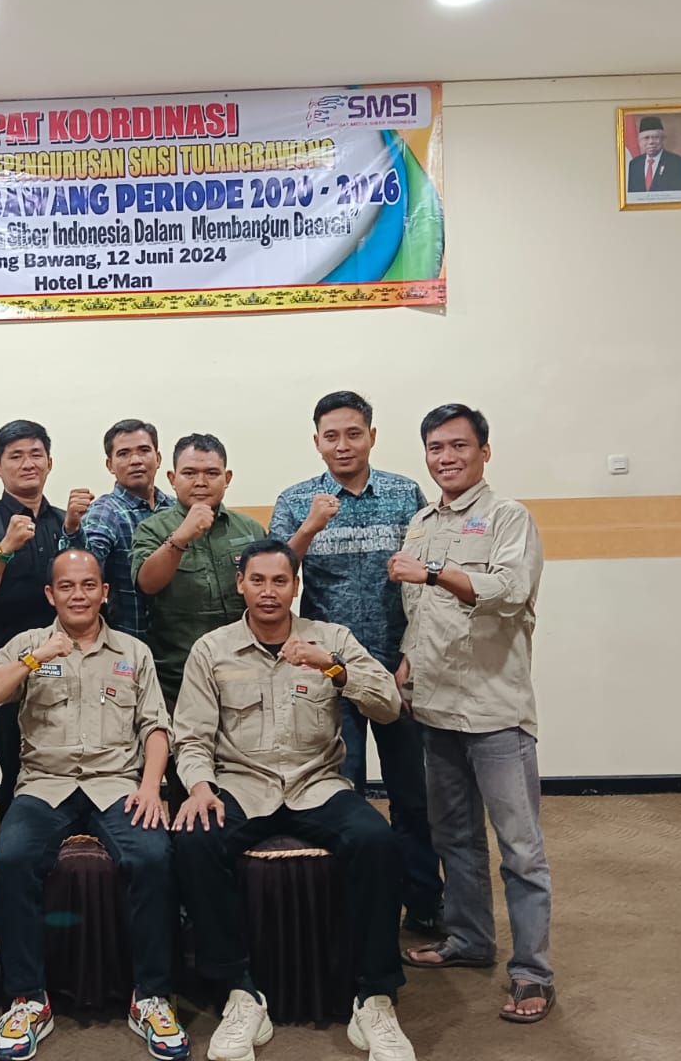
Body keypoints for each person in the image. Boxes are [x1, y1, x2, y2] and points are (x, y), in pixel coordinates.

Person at [171, 540, 416, 1061]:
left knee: (377, 842)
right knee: (193, 840)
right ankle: (240, 990)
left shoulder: (331, 639)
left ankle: (374, 996)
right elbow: (190, 736)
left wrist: (334, 668)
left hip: (317, 784)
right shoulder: (212, 650)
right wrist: (199, 786)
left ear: (295, 586)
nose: (268, 592)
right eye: (257, 580)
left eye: (279, 581)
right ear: (241, 584)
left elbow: (389, 705)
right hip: (241, 784)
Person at [0, 550, 188, 1061]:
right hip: (44, 783)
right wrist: (34, 659)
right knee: (13, 859)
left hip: (117, 784)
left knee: (154, 857)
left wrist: (151, 787)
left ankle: (151, 995)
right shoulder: (28, 644)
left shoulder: (133, 652)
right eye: (67, 586)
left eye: (88, 585)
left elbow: (156, 727)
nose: (78, 595)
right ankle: (28, 998)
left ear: (104, 592)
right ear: (50, 594)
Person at [389, 404, 553, 1026]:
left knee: (520, 849)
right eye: (436, 447)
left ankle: (532, 972)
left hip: (495, 711)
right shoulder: (421, 521)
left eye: (459, 445)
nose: (446, 457)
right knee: (453, 836)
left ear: (485, 451)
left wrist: (433, 572)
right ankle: (469, 938)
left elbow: (510, 593)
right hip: (436, 708)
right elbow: (419, 613)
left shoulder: (509, 517)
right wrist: (407, 664)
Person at [269, 391, 444, 934]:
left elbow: (424, 582)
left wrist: (412, 654)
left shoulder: (403, 494)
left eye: (353, 433)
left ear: (371, 436)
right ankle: (346, 908)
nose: (342, 445)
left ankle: (423, 903)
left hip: (396, 668)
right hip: (326, 671)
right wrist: (309, 527)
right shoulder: (297, 499)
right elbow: (273, 575)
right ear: (316, 442)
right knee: (339, 794)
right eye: (331, 436)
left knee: (411, 796)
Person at [0, 419, 91, 817]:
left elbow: (88, 586)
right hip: (10, 666)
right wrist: (5, 548)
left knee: (71, 755)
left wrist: (73, 530)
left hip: (69, 661)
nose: (28, 463)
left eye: (36, 454)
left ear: (50, 462)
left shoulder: (65, 521)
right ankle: (15, 842)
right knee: (15, 768)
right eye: (15, 456)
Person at [131, 433, 266, 706]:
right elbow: (147, 583)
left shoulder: (250, 529)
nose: (201, 482)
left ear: (227, 478)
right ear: (172, 478)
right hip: (175, 678)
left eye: (212, 473)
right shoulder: (151, 529)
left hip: (245, 672)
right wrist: (181, 536)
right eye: (190, 473)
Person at [75, 419, 174, 642]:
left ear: (158, 458)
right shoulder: (105, 511)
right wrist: (73, 529)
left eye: (144, 451)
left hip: (182, 643)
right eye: (124, 454)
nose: (135, 460)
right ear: (110, 465)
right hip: (131, 644)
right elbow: (87, 563)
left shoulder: (176, 508)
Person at [625, 114, 681, 194]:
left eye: (655, 137)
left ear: (663, 139)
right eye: (646, 138)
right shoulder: (634, 164)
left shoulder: (679, 164)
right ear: (639, 141)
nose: (651, 142)